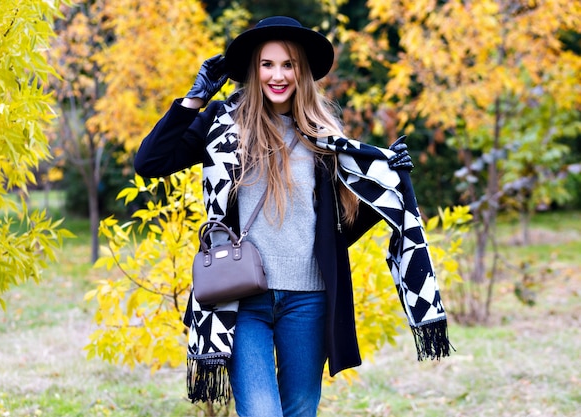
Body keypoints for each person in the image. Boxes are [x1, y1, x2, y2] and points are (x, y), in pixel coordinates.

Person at [134, 16, 450, 417]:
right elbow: (150, 162)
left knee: (300, 410)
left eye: (289, 65)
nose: (278, 75)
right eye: (268, 64)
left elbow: (335, 231)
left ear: (302, 72)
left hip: (309, 299)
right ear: (254, 69)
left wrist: (386, 182)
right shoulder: (221, 123)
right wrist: (193, 100)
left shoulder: (324, 136)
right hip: (241, 296)